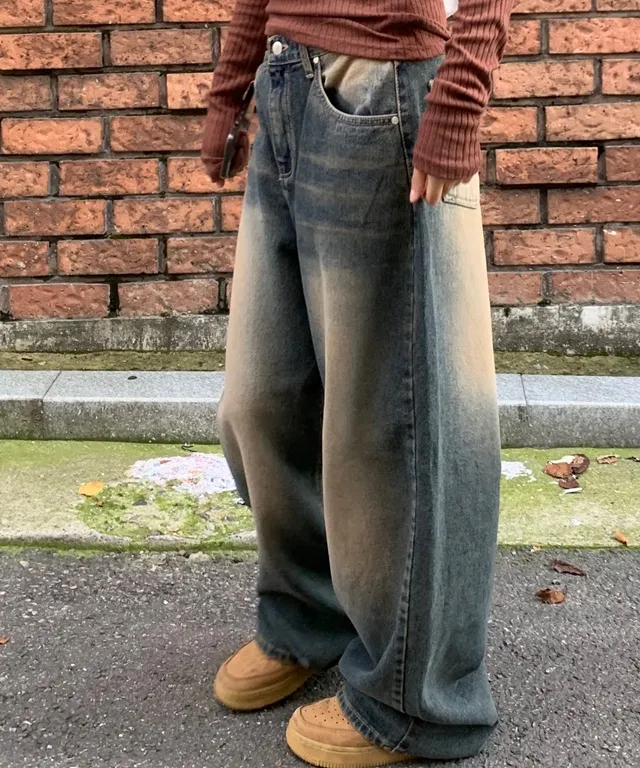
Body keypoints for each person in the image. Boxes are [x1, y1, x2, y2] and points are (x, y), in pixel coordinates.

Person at [201, 0, 513, 763]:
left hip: (385, 84)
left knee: (392, 422)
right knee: (264, 398)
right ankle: (309, 619)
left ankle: (417, 700)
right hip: (287, 78)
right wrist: (231, 85)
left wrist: (460, 95)